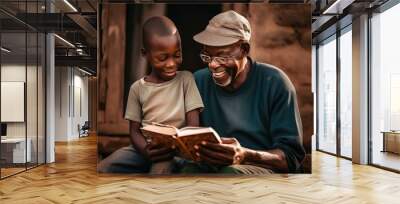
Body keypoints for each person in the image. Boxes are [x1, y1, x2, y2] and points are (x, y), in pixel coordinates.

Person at [185, 10, 305, 174]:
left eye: (222, 56)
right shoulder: (198, 81)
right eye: (207, 56)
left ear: (244, 49)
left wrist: (244, 155)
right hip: (210, 166)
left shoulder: (275, 82)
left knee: (231, 174)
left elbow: (291, 159)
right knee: (186, 170)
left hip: (259, 168)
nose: (212, 65)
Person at [97, 16, 204, 174]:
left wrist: (179, 145)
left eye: (177, 55)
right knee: (104, 167)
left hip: (175, 152)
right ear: (144, 53)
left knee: (159, 172)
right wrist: (146, 150)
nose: (171, 63)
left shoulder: (186, 80)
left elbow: (193, 125)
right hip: (145, 148)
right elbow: (134, 131)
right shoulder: (137, 88)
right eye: (162, 58)